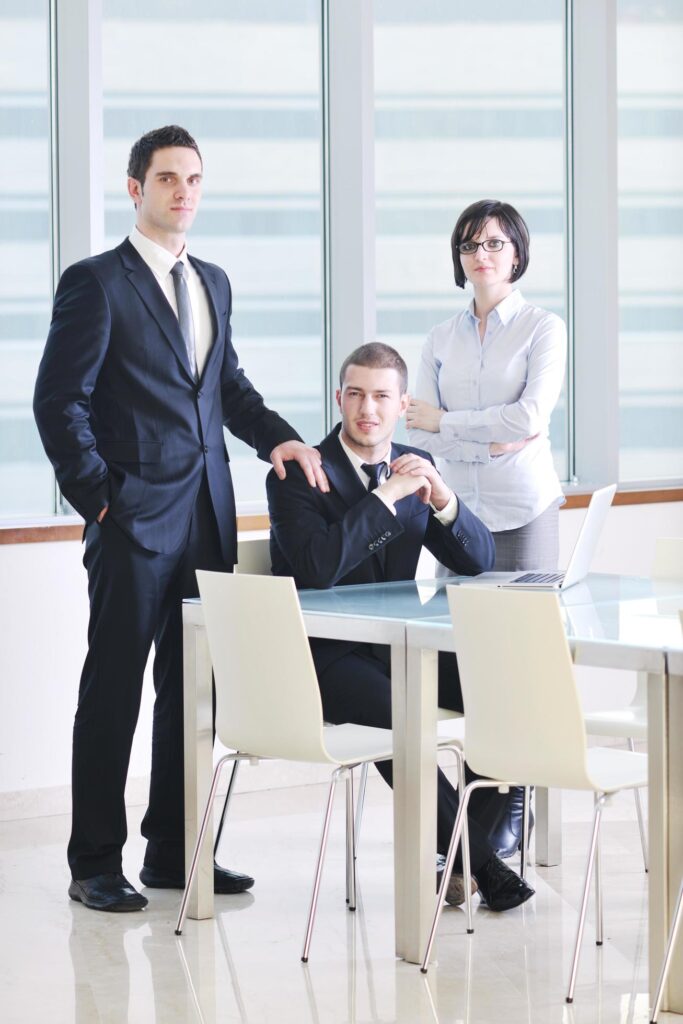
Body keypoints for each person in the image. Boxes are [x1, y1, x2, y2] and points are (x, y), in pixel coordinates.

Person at [33, 125, 328, 913]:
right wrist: (102, 498)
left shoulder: (214, 283)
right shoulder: (96, 283)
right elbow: (58, 402)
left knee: (193, 691)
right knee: (114, 689)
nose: (183, 192)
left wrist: (282, 440)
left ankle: (172, 850)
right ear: (136, 190)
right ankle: (94, 860)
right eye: (167, 179)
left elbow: (225, 389)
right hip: (132, 522)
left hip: (206, 520)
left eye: (194, 179)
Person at [267, 342, 535, 912]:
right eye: (357, 394)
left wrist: (444, 502)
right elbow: (316, 568)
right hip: (323, 657)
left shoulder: (415, 465)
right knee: (403, 716)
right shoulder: (298, 473)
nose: (368, 408)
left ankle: (465, 851)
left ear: (401, 403)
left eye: (382, 396)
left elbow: (479, 559)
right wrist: (385, 500)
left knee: (505, 688)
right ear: (339, 399)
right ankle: (482, 864)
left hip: (399, 647)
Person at [405, 199, 567, 858]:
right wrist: (481, 432)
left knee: (521, 661)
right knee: (469, 662)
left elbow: (527, 417)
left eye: (496, 244)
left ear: (516, 253)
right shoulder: (440, 338)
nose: (482, 255)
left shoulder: (541, 328)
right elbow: (414, 423)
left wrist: (452, 425)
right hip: (457, 518)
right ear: (458, 257)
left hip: (523, 511)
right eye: (471, 244)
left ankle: (514, 799)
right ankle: (479, 801)